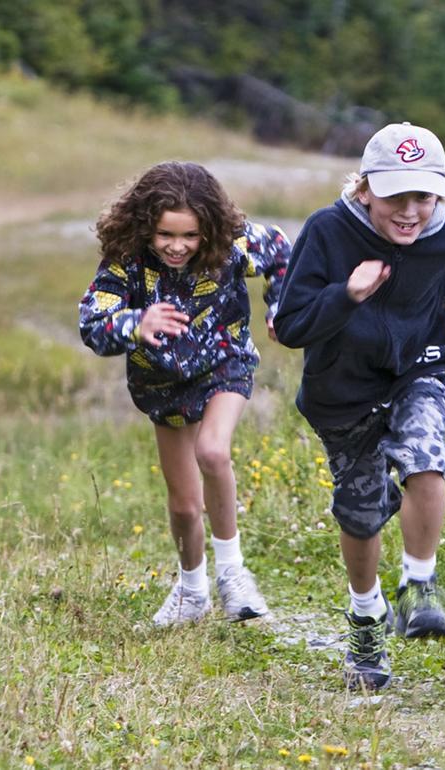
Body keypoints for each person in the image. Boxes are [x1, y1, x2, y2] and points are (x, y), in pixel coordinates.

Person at [273, 123, 445, 690]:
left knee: (426, 456)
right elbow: (290, 325)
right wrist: (346, 294)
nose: (410, 212)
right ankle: (367, 617)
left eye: (424, 196)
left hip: (418, 365)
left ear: (441, 194)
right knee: (362, 511)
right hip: (342, 389)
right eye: (396, 196)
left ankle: (419, 584)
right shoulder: (328, 231)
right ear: (365, 188)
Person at [78, 161, 291, 626]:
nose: (177, 246)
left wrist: (279, 306)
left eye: (190, 236)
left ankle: (233, 573)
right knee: (183, 505)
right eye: (165, 235)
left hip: (225, 363)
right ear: (145, 226)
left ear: (209, 229)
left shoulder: (232, 245)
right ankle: (192, 591)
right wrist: (136, 322)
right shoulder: (126, 260)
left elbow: (279, 248)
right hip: (161, 383)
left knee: (212, 451)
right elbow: (92, 324)